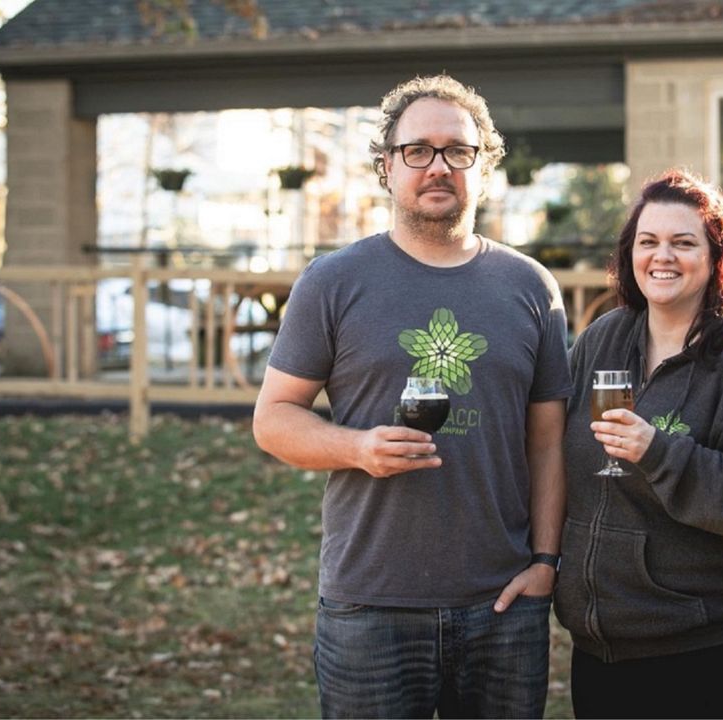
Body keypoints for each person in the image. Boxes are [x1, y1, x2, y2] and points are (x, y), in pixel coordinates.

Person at [252, 74, 572, 719]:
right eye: (417, 150)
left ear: (483, 166)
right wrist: (357, 447)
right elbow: (274, 420)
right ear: (386, 167)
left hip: (503, 605)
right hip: (370, 602)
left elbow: (547, 443)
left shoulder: (531, 288)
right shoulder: (333, 282)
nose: (438, 167)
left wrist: (544, 563)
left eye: (458, 151)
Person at [553, 169, 723, 719]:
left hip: (713, 646)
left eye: (683, 242)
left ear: (716, 258)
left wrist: (659, 452)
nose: (662, 256)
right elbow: (557, 456)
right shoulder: (603, 339)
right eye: (648, 242)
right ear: (630, 255)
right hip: (603, 648)